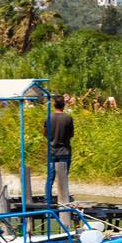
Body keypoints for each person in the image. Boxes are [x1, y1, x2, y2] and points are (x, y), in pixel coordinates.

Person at [47, 94, 76, 230]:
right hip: (65, 151)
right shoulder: (68, 118)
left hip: (52, 151)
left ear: (54, 105)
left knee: (50, 178)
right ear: (63, 105)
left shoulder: (49, 117)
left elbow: (45, 134)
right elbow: (71, 134)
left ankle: (48, 201)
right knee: (63, 178)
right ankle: (64, 199)